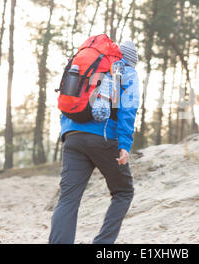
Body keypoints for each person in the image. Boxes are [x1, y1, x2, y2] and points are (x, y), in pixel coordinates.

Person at [49, 40, 140, 244]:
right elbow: (128, 110)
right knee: (123, 192)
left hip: (72, 136)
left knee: (68, 199)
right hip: (104, 138)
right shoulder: (126, 71)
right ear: (131, 61)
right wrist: (125, 145)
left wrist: (67, 133)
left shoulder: (87, 66)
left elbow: (68, 100)